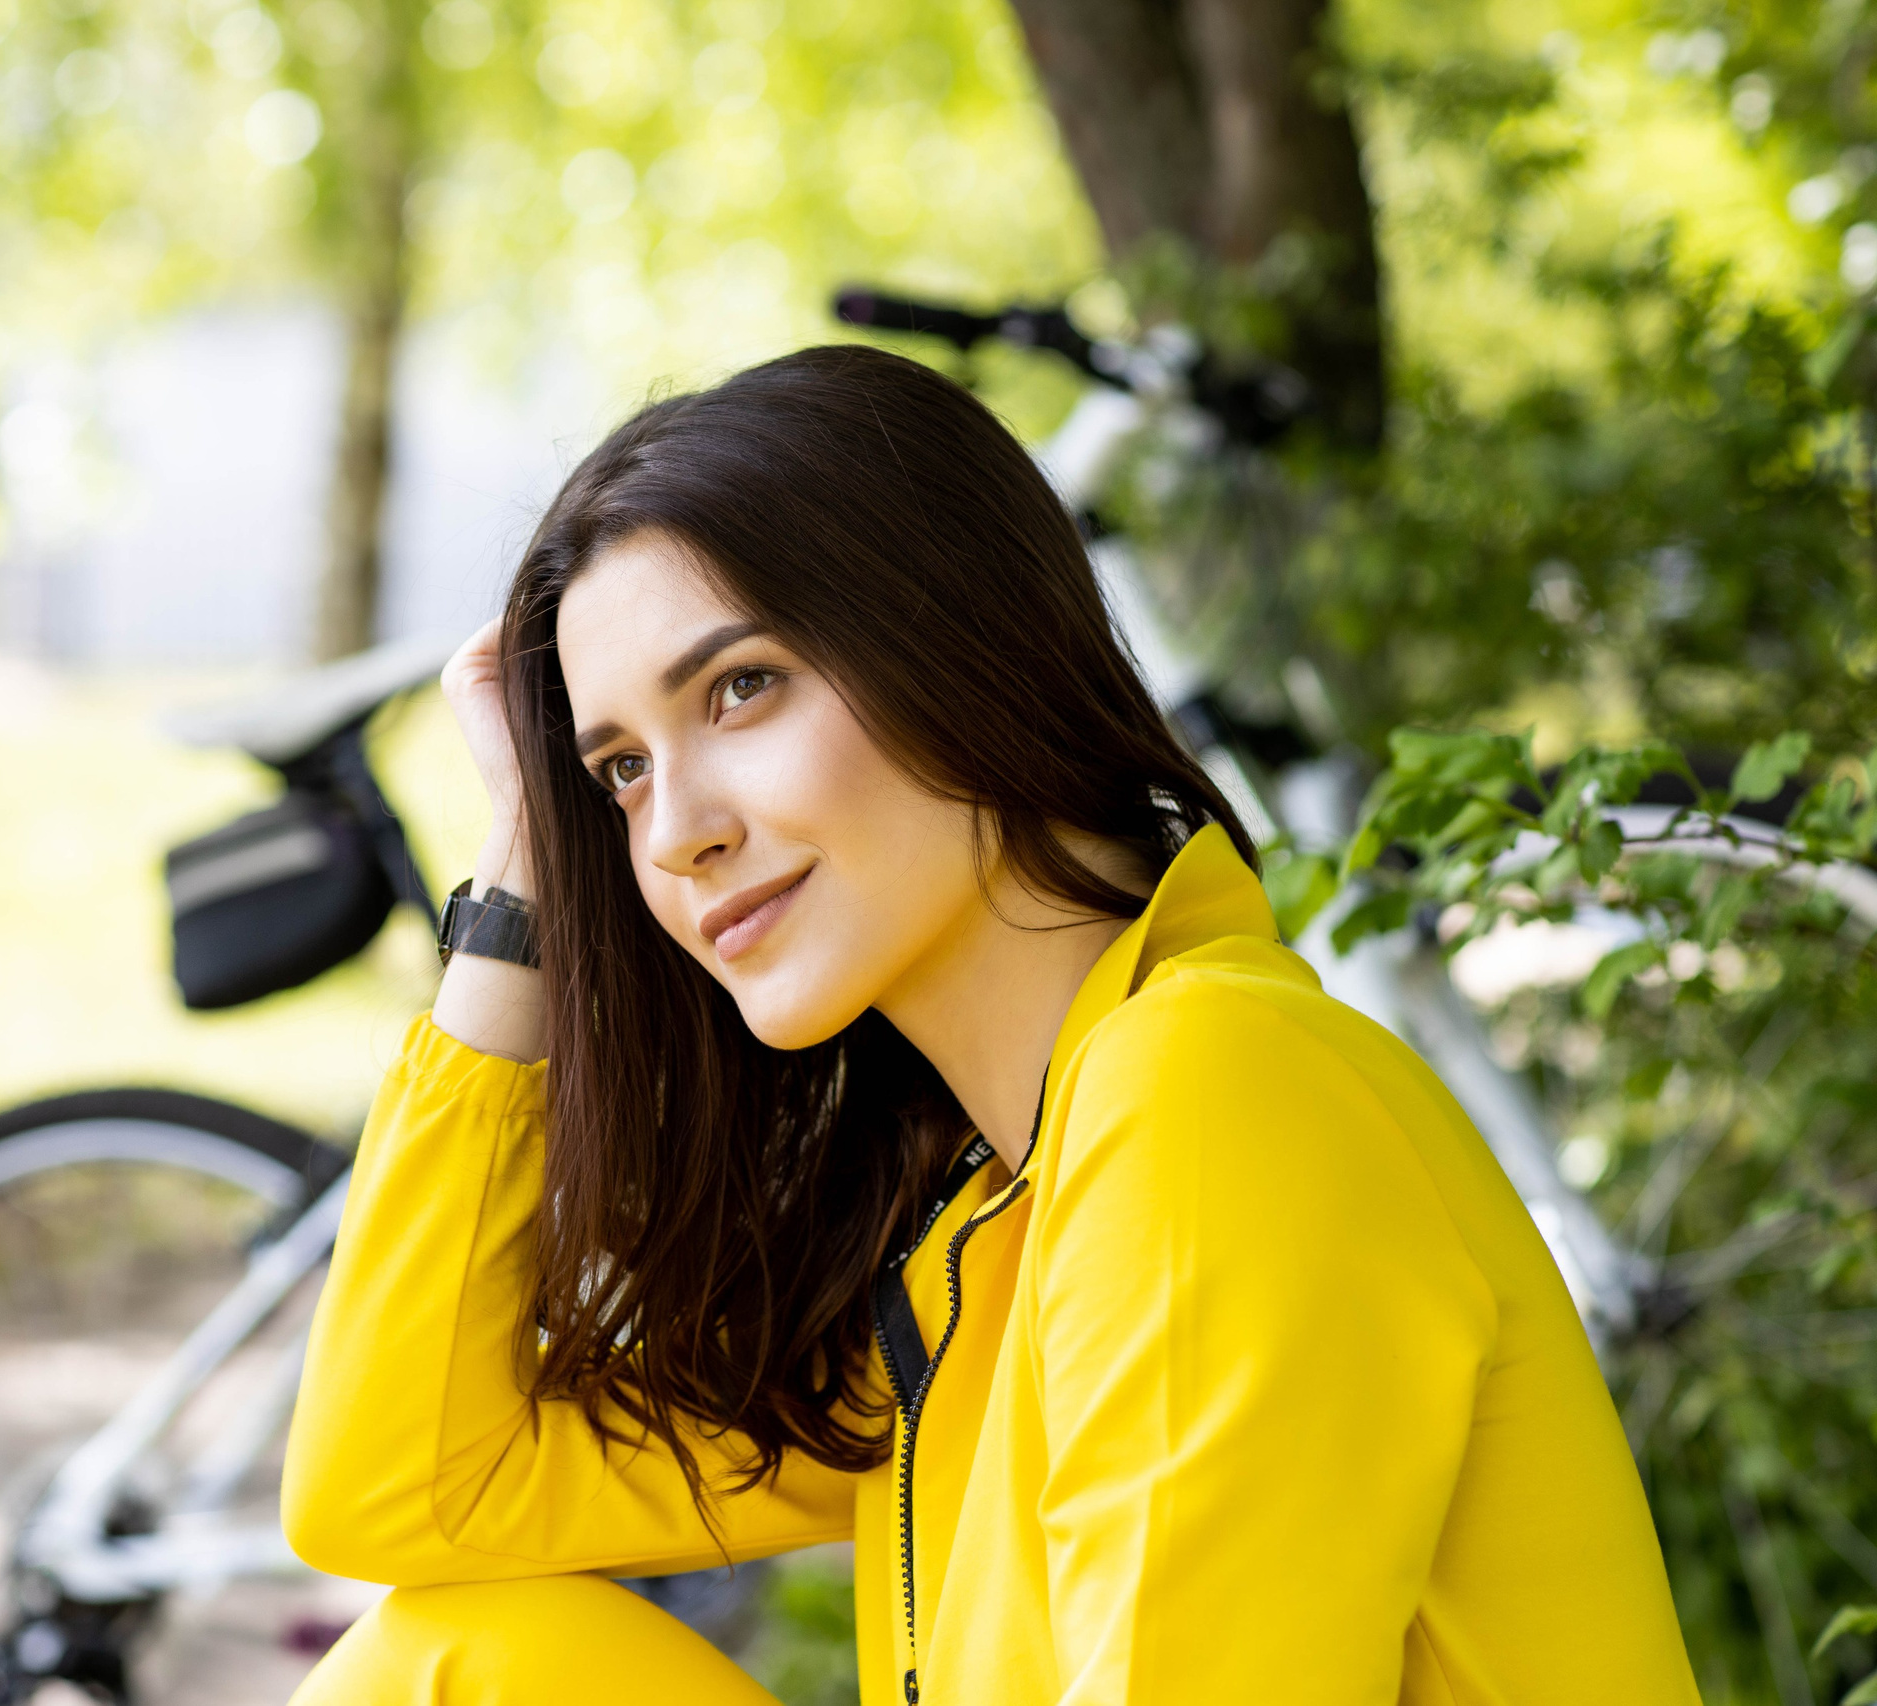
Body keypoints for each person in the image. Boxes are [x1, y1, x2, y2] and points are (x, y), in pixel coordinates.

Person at [278, 344, 1700, 1704]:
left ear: (956, 639)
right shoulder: (982, 1232)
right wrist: (526, 863)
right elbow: (404, 1482)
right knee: (457, 1662)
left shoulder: (1212, 1094)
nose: (680, 833)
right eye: (623, 771)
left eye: (743, 686)